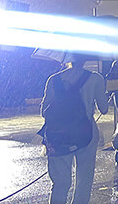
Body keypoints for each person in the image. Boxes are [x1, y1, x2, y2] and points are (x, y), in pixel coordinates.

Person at [40, 53, 108, 204]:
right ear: (86, 57)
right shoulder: (96, 78)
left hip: (58, 135)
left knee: (60, 183)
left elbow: (44, 111)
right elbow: (104, 109)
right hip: (87, 134)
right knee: (84, 180)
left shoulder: (53, 79)